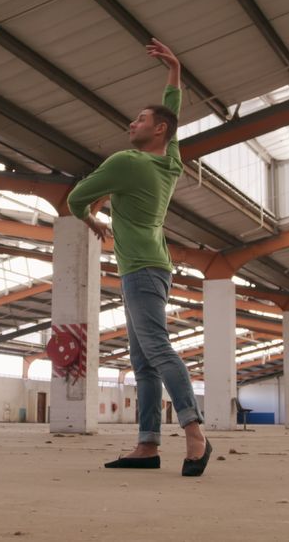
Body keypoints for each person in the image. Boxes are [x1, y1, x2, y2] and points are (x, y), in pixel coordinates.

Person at [67, 38, 212, 477]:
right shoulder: (169, 163)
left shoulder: (126, 162)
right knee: (144, 361)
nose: (132, 123)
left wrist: (93, 221)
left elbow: (75, 199)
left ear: (157, 131)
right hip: (155, 266)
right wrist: (175, 74)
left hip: (140, 270)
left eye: (140, 120)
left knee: (156, 350)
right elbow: (173, 116)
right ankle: (147, 446)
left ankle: (194, 434)